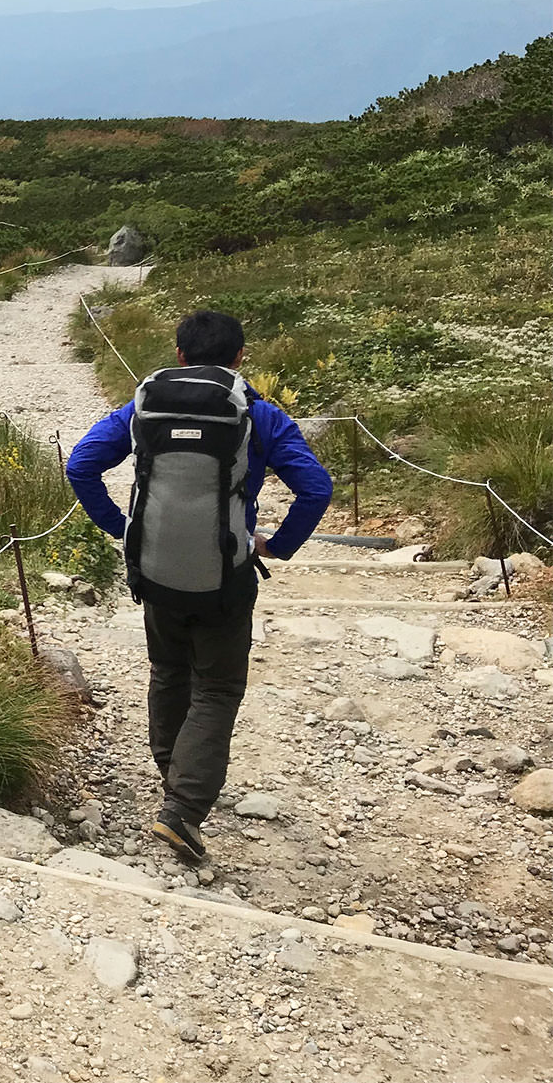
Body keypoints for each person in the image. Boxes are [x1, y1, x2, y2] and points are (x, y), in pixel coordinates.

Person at [66, 309, 332, 863]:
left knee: (168, 672)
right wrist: (275, 546)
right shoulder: (259, 414)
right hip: (225, 578)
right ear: (241, 357)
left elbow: (82, 465)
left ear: (180, 355)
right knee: (216, 688)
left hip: (156, 571)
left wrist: (124, 530)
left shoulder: (144, 403)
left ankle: (176, 775)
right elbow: (315, 489)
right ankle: (183, 810)